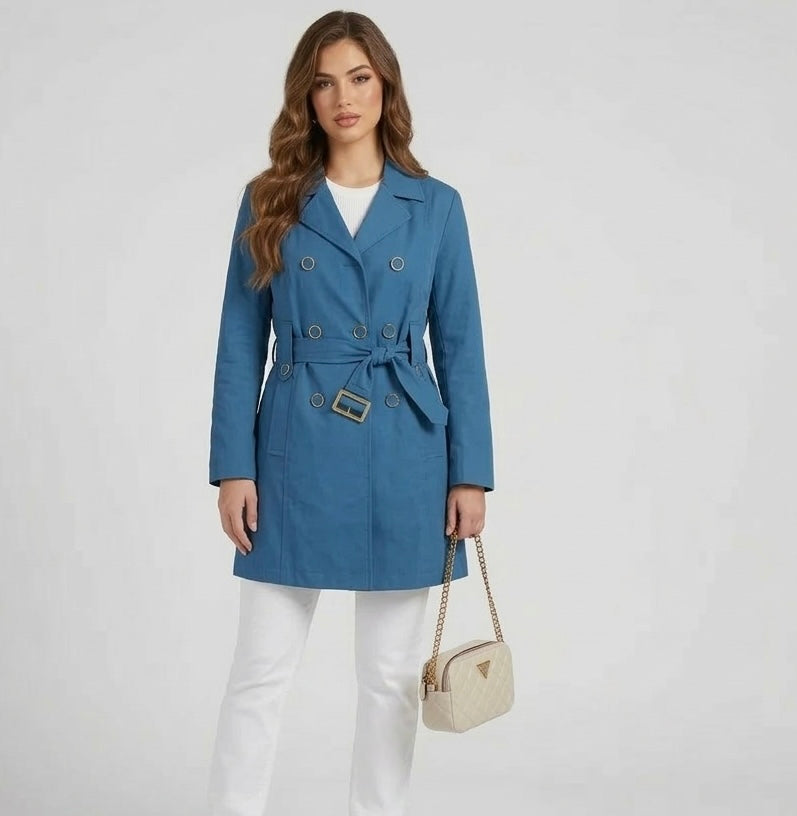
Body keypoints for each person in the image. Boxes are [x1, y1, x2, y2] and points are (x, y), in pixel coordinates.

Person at [206, 10, 494, 816]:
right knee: (260, 671)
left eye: (359, 78)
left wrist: (470, 474)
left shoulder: (435, 206)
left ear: (385, 85)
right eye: (325, 82)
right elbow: (239, 343)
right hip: (293, 453)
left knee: (390, 679)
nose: (344, 98)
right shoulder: (270, 200)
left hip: (405, 452)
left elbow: (461, 347)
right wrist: (233, 468)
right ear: (306, 95)